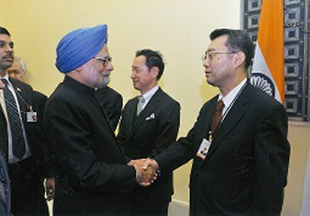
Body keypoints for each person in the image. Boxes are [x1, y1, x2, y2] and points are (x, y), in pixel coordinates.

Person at [143, 29, 290, 215]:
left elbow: (271, 183)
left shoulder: (265, 110)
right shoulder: (210, 107)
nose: (205, 63)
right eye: (205, 56)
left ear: (237, 59)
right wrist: (156, 163)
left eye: (212, 56)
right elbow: (190, 144)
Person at [43, 24, 156, 216]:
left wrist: (129, 163)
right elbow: (84, 172)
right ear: (79, 64)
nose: (110, 66)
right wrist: (134, 173)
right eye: (104, 60)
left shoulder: (86, 96)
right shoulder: (63, 103)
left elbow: (100, 151)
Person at [117, 49, 180, 216]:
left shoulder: (169, 106)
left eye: (137, 70)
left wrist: (144, 171)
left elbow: (163, 148)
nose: (132, 75)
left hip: (153, 189)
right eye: (132, 70)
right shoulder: (130, 105)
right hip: (127, 184)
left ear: (154, 72)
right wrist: (129, 165)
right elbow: (120, 142)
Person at [0, 26, 49, 215]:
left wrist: (48, 173)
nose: (9, 49)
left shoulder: (25, 91)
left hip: (29, 173)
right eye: (1, 45)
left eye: (11, 45)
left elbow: (38, 135)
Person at [7, 56, 55, 200]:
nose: (12, 76)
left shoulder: (38, 100)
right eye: (8, 72)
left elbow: (44, 138)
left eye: (16, 72)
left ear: (24, 74)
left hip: (30, 170)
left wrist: (49, 173)